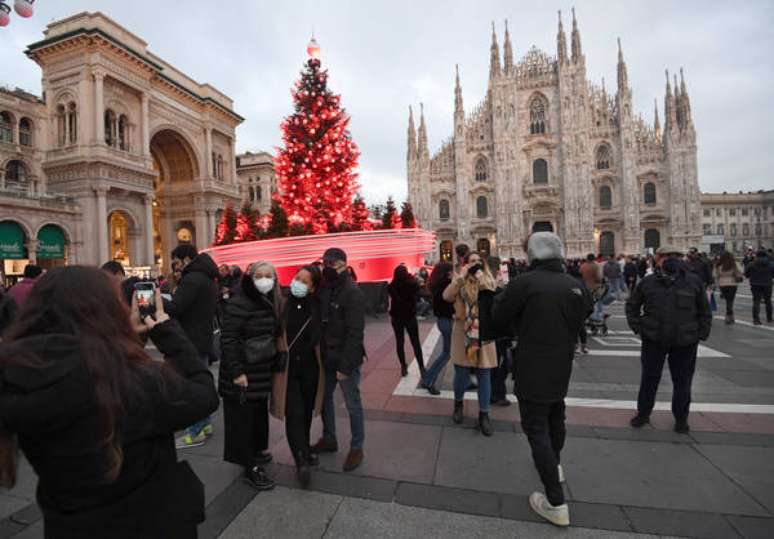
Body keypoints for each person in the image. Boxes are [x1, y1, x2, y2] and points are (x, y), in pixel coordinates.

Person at [0, 266, 218, 538]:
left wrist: (128, 344)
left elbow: (82, 369)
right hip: (146, 522)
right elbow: (203, 394)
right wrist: (164, 329)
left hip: (69, 523)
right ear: (106, 311)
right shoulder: (135, 382)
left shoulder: (19, 375)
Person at [490, 232, 589, 527]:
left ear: (532, 255)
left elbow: (498, 317)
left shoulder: (524, 283)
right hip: (562, 362)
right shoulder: (575, 285)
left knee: (535, 427)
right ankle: (554, 466)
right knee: (556, 414)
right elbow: (585, 314)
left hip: (532, 362)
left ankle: (556, 501)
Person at [626, 245, 712, 434]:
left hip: (685, 341)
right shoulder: (648, 282)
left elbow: (705, 311)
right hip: (654, 339)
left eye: (676, 256)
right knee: (649, 378)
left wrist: (700, 334)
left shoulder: (693, 282)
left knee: (682, 381)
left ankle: (681, 418)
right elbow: (632, 306)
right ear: (657, 258)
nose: (671, 259)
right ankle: (643, 413)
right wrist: (639, 328)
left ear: (683, 259)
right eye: (666, 256)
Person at [219, 261, 284, 491]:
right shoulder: (240, 301)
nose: (265, 279)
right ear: (250, 277)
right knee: (242, 421)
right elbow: (228, 339)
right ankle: (250, 468)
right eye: (260, 275)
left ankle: (256, 453)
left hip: (259, 370)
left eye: (269, 275)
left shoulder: (269, 300)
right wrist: (237, 372)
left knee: (256, 416)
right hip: (243, 373)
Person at [310, 248, 366, 472]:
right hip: (325, 355)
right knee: (324, 400)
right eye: (325, 263)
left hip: (344, 358)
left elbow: (355, 333)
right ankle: (329, 438)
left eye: (331, 264)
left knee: (352, 404)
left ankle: (357, 447)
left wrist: (346, 365)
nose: (327, 267)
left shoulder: (352, 292)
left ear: (343, 264)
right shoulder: (325, 287)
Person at [272, 265, 324, 487]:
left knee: (304, 415)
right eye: (297, 278)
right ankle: (301, 460)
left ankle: (303, 448)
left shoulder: (318, 306)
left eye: (305, 280)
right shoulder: (282, 304)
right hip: (288, 370)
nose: (298, 283)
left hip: (311, 369)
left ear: (312, 287)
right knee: (294, 412)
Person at [164, 244, 220, 449]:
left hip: (190, 339)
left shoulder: (193, 279)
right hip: (201, 336)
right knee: (200, 380)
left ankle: (195, 431)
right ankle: (203, 425)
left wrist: (157, 297)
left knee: (190, 386)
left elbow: (176, 307)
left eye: (177, 262)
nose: (176, 267)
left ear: (186, 259)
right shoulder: (206, 277)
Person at [443, 251, 497, 436]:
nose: (475, 264)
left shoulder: (487, 278)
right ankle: (458, 404)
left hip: (484, 331)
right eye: (471, 261)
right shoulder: (460, 279)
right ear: (465, 264)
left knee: (484, 374)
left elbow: (491, 294)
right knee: (461, 374)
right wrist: (462, 276)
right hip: (462, 331)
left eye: (478, 261)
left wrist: (480, 275)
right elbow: (447, 296)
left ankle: (484, 414)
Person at [419, 261, 454, 395]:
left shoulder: (436, 284)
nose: (453, 273)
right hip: (447, 322)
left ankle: (465, 379)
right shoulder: (446, 285)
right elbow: (447, 306)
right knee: (447, 353)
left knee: (450, 352)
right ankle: (428, 379)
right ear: (447, 273)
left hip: (442, 321)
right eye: (451, 271)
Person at [387, 265, 425, 377]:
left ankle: (403, 366)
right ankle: (421, 367)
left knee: (400, 342)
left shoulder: (391, 286)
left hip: (396, 317)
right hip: (409, 316)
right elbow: (418, 292)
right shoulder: (411, 284)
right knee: (415, 342)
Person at [714, 251, 743, 324]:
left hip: (722, 284)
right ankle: (729, 316)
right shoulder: (734, 264)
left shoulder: (718, 265)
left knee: (728, 300)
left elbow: (715, 275)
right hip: (732, 283)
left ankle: (730, 316)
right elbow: (740, 271)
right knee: (730, 300)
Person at [745, 248, 773, 325]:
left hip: (755, 284)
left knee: (756, 301)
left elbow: (746, 274)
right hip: (767, 284)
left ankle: (756, 319)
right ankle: (769, 318)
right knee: (768, 301)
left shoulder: (751, 264)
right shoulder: (770, 264)